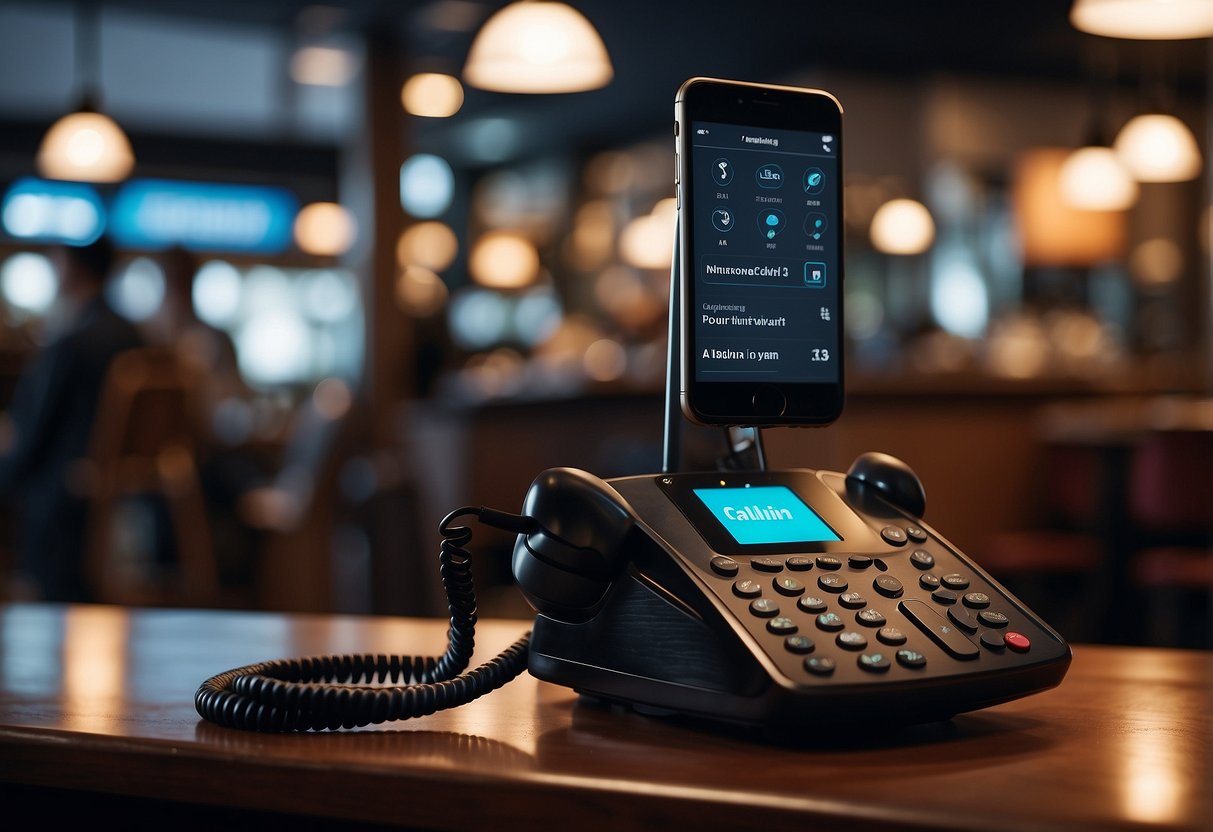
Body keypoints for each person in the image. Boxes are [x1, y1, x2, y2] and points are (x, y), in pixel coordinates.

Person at [0, 235, 145, 602]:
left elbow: (34, 434)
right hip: (128, 493)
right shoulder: (135, 336)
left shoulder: (72, 343)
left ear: (70, 267)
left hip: (67, 500)